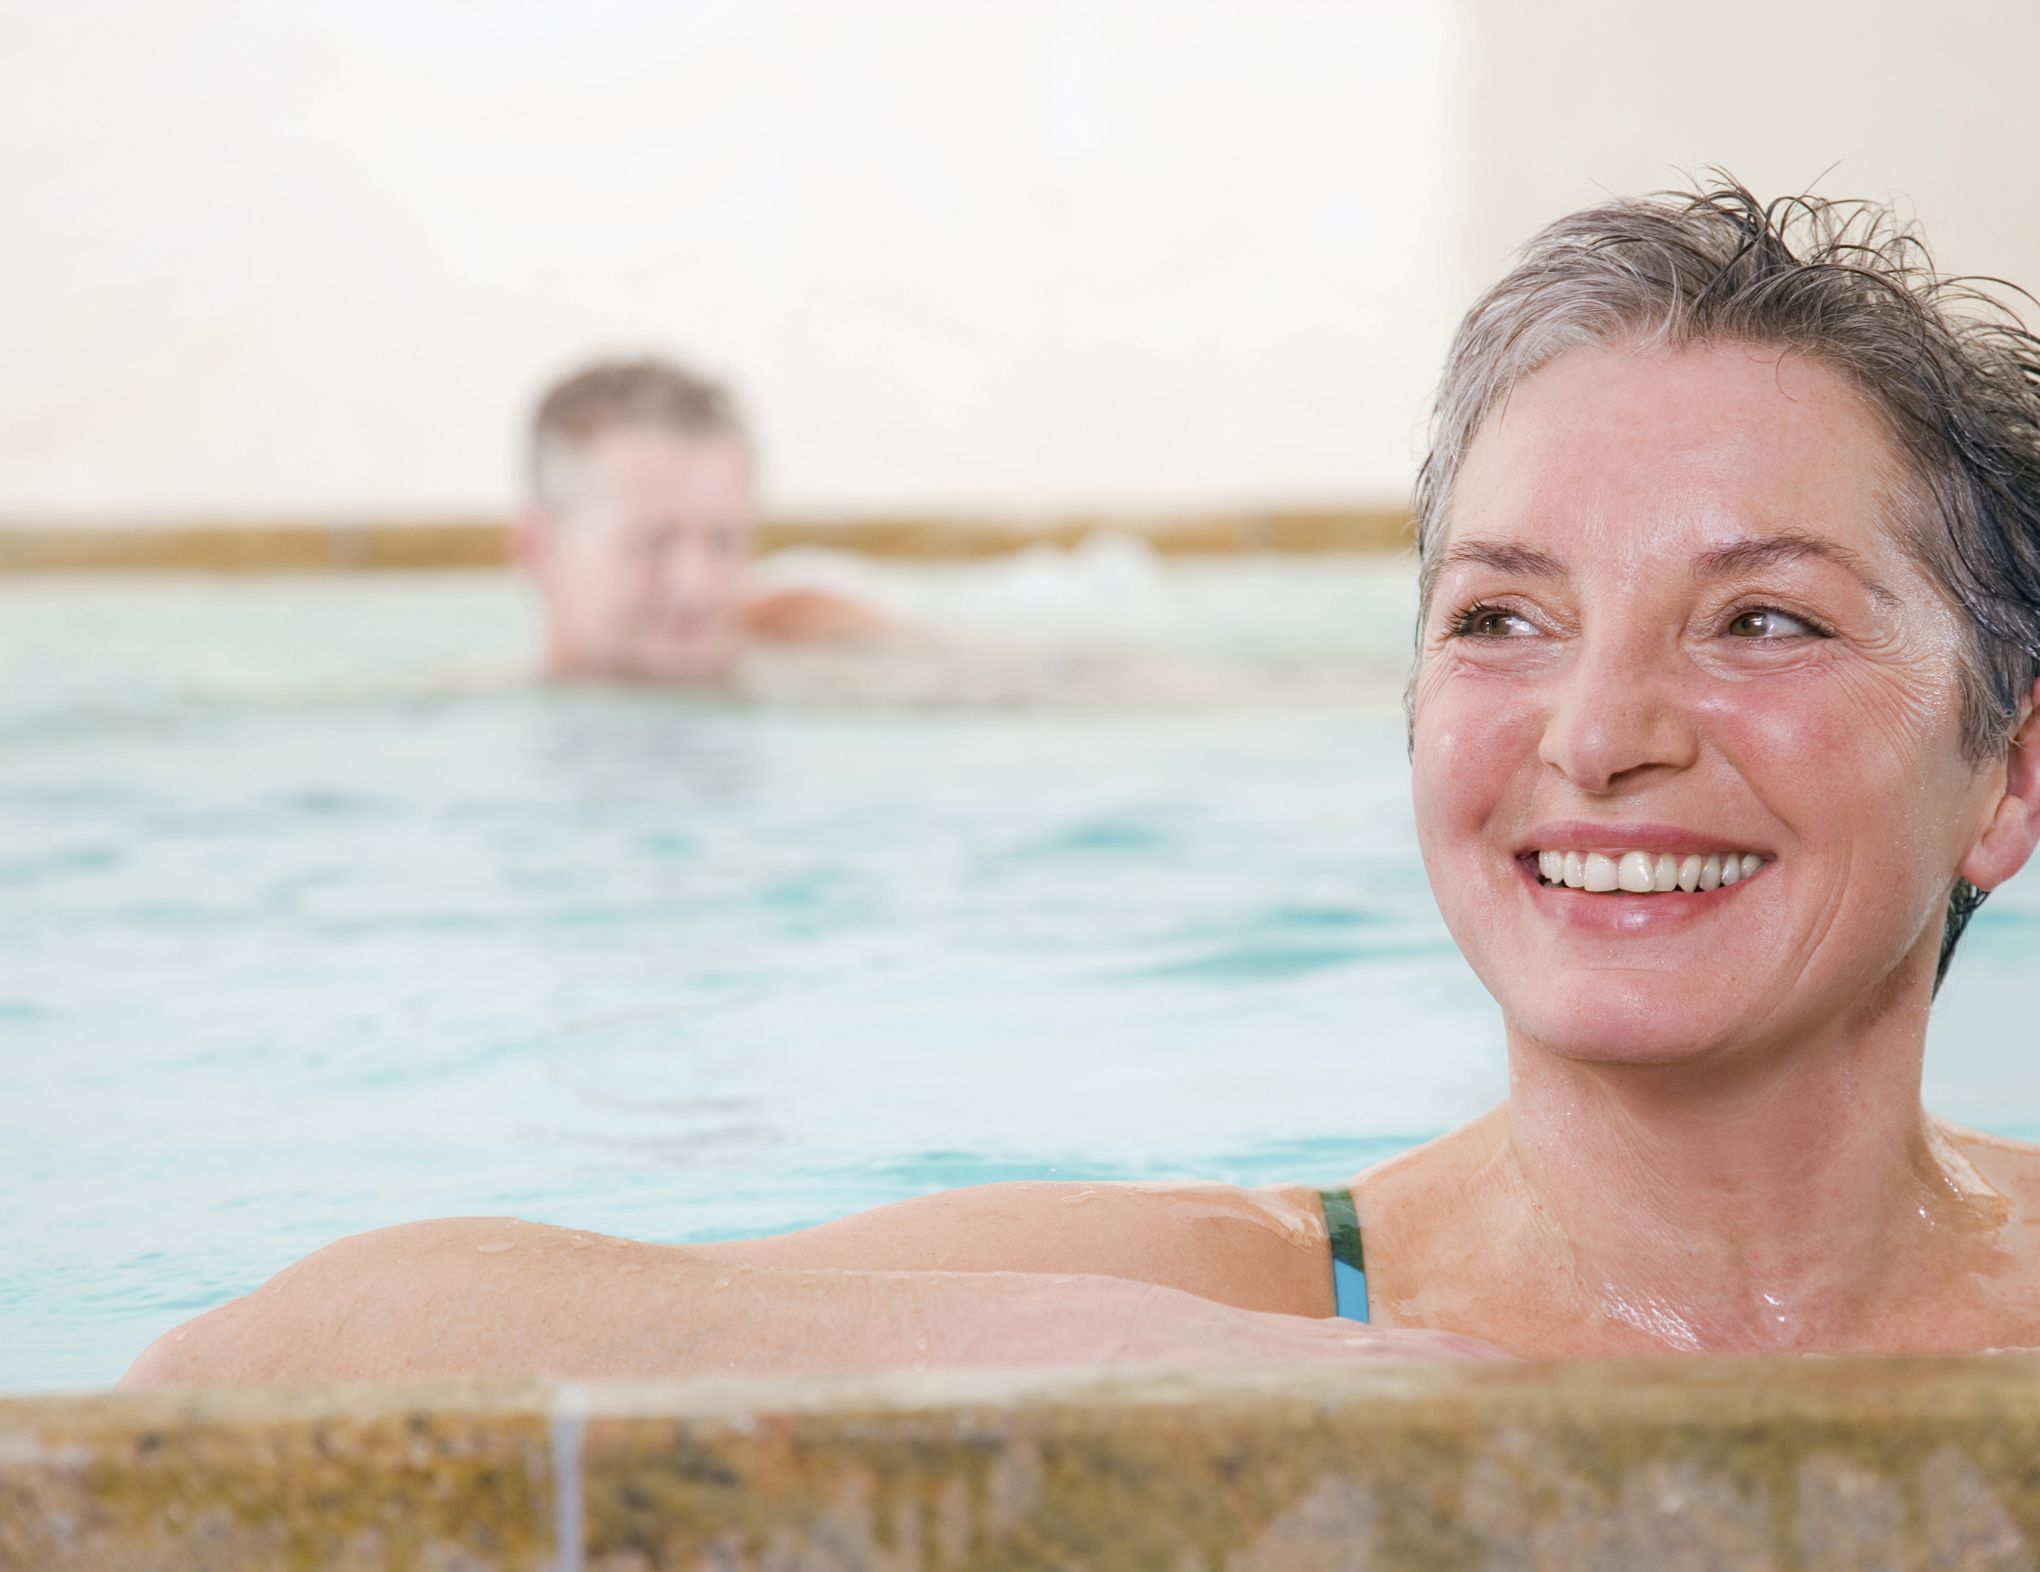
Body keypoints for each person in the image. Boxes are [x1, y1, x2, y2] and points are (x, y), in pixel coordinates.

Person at [123, 177, 2040, 1386]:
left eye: (1764, 620)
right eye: (1499, 618)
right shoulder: (1262, 1300)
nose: (1597, 731)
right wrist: (1124, 1351)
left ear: (2007, 771)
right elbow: (252, 1362)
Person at [515, 356, 890, 682]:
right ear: (539, 549)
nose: (696, 588)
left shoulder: (823, 652)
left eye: (724, 542)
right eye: (652, 542)